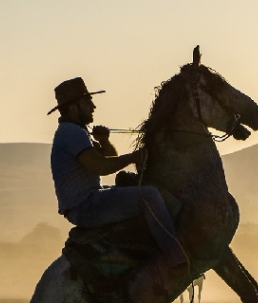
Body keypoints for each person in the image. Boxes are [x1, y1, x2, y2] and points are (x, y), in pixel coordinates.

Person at [48, 77, 187, 273]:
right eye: (87, 102)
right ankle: (176, 260)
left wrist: (104, 142)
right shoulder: (72, 133)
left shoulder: (75, 132)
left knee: (130, 183)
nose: (93, 106)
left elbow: (109, 158)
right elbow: (101, 167)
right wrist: (133, 156)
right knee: (150, 196)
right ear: (73, 107)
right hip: (86, 205)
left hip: (86, 202)